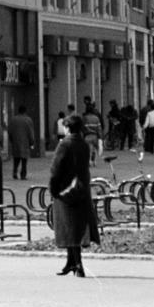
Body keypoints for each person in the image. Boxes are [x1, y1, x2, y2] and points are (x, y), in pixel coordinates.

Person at [49, 114, 100, 278]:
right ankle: (70, 262)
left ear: (68, 127)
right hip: (81, 189)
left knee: (69, 227)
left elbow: (56, 168)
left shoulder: (65, 144)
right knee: (75, 226)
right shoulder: (83, 144)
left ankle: (78, 265)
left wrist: (53, 189)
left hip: (66, 190)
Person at [7, 105, 36, 180]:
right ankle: (23, 174)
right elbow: (30, 132)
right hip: (25, 142)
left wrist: (11, 139)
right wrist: (32, 142)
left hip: (16, 142)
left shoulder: (13, 119)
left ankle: (14, 172)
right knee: (24, 160)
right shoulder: (28, 120)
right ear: (25, 111)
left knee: (16, 159)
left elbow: (9, 131)